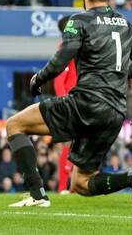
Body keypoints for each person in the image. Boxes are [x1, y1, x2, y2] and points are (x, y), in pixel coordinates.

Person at [4, 0, 132, 207]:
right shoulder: (125, 24)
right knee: (80, 183)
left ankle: (37, 195)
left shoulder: (79, 21)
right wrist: (115, 75)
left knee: (14, 124)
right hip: (115, 112)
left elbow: (61, 59)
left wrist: (37, 79)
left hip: (86, 103)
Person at [53, 16, 78, 195]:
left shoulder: (78, 47)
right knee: (70, 144)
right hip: (70, 102)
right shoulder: (65, 49)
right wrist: (63, 102)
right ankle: (63, 186)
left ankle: (74, 186)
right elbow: (59, 80)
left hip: (82, 100)